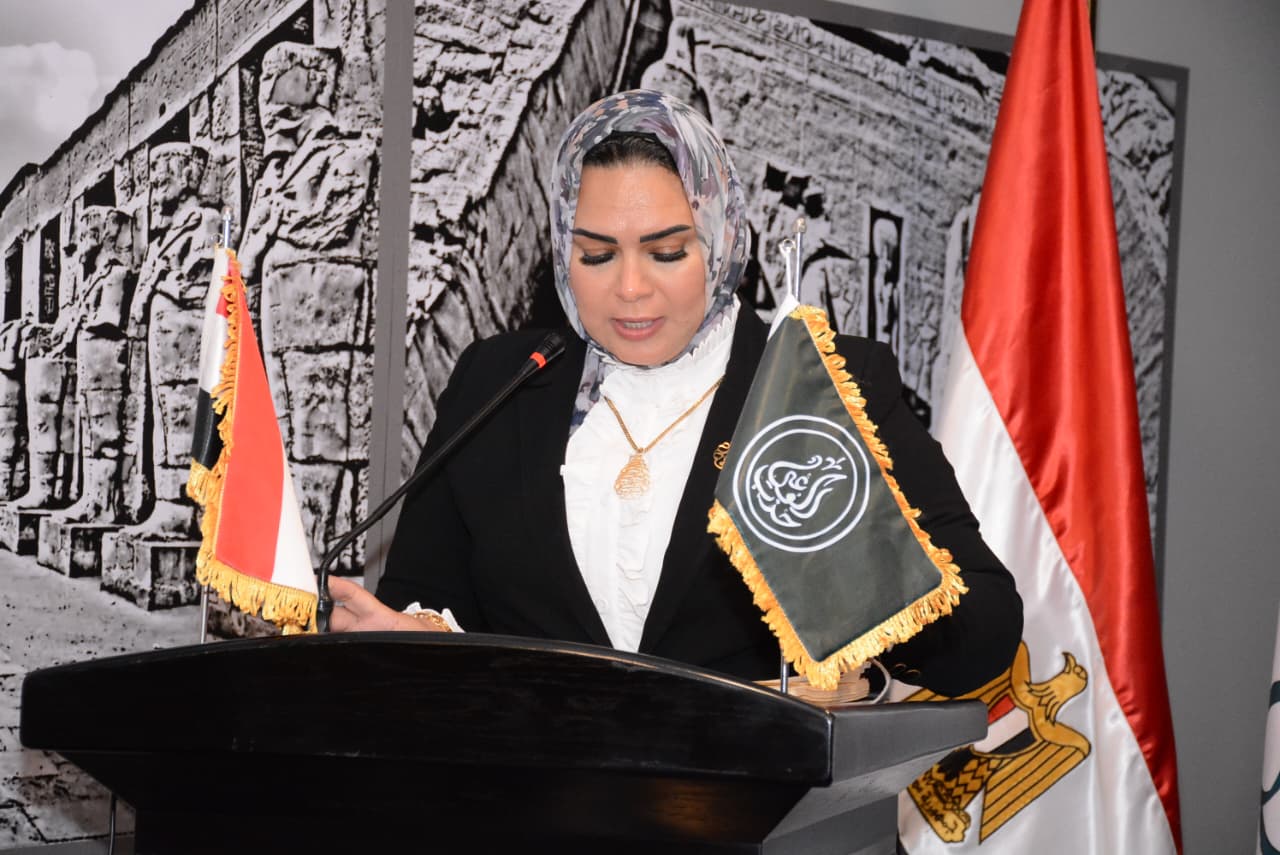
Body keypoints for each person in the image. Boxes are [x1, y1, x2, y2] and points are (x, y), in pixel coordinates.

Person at [330, 90, 1021, 697]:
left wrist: (861, 580)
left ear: (721, 240)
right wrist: (417, 636)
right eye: (597, 254)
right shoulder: (498, 382)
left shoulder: (822, 383)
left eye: (666, 253)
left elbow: (986, 631)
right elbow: (426, 595)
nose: (630, 288)